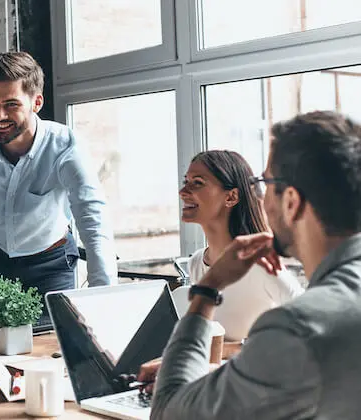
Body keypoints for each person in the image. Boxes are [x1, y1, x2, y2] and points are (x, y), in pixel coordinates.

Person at [139, 110, 361, 419]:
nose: (259, 196)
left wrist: (207, 291)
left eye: (265, 182)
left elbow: (168, 412)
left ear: (291, 202)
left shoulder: (297, 328)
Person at [0, 51, 117, 301]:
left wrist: (103, 298)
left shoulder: (66, 146)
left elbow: (93, 218)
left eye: (11, 105)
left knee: (54, 339)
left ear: (36, 103)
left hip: (51, 265)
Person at [179, 150, 303, 341]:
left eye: (197, 183)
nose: (183, 192)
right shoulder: (196, 263)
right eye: (185, 181)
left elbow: (311, 323)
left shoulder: (260, 264)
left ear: (231, 197)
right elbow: (211, 341)